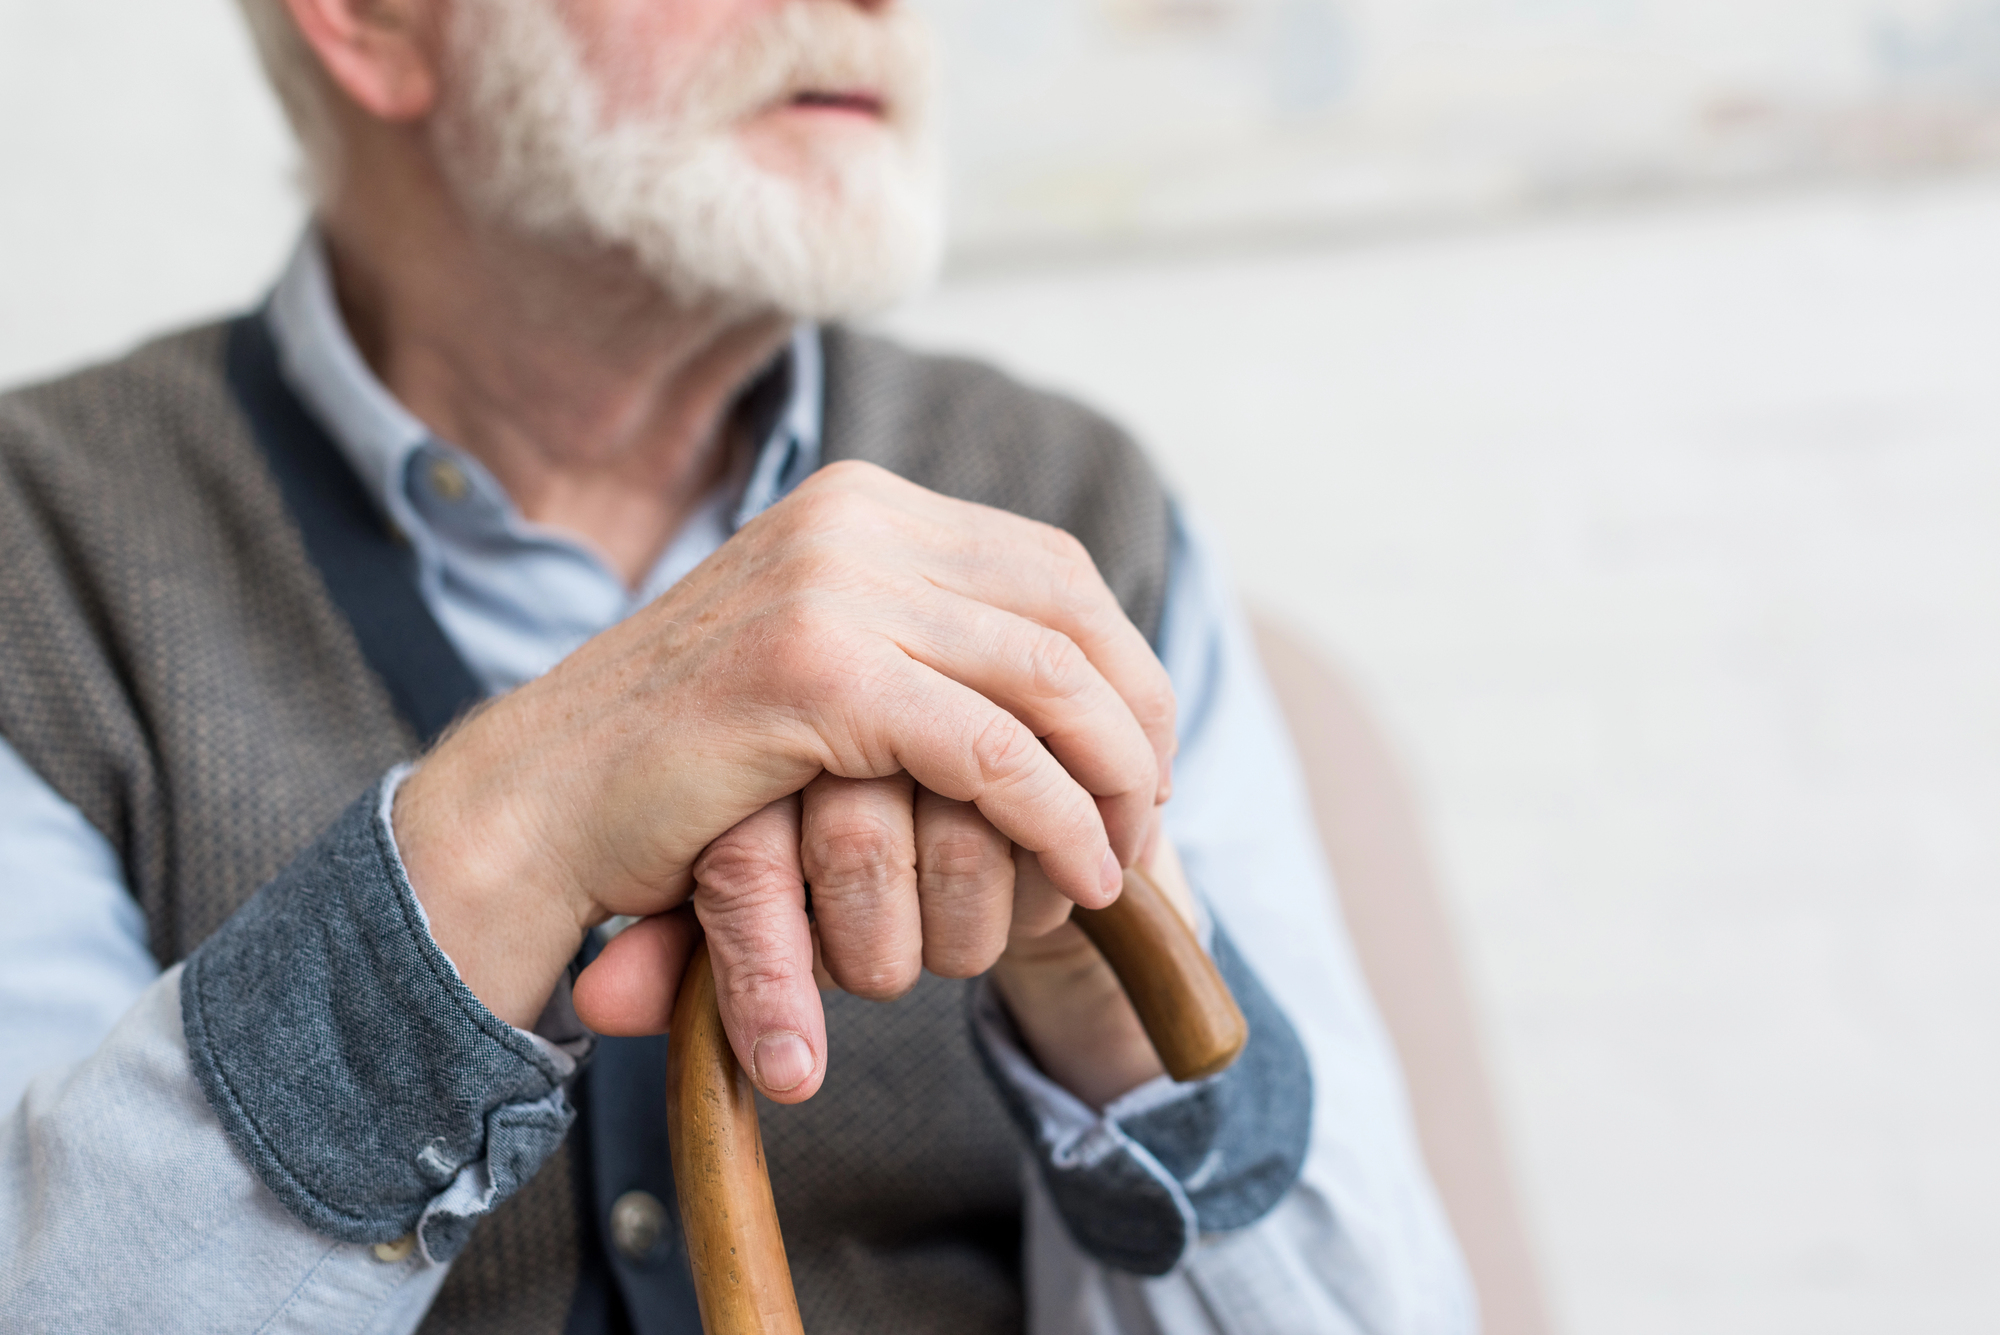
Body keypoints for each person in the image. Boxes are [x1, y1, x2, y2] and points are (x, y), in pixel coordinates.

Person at [0, 1, 1474, 1331]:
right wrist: (522, 822)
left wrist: (1105, 1017)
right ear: (377, 21)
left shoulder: (1081, 514)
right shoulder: (41, 560)